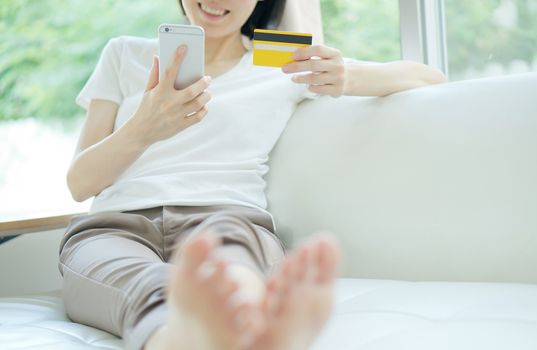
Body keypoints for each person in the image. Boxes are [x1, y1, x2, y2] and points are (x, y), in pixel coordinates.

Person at [58, 1, 447, 350]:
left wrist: (346, 77)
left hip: (227, 217)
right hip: (115, 227)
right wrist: (145, 126)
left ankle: (247, 326)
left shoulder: (278, 56)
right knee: (144, 284)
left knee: (232, 261)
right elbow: (80, 184)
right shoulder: (125, 53)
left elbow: (429, 77)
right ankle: (194, 336)